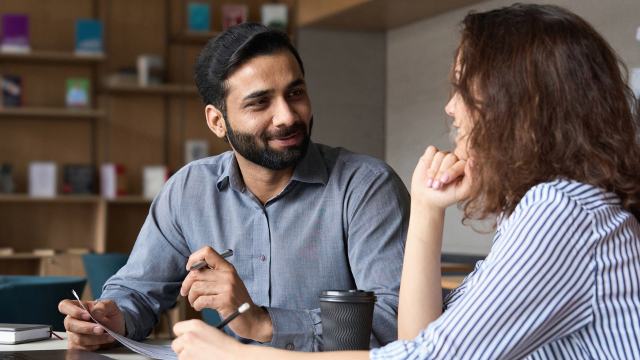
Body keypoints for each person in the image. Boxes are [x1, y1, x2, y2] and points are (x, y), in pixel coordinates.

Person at [169, 3, 640, 359]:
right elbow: (420, 340)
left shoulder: (562, 212)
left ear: (515, 103)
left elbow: (419, 358)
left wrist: (243, 354)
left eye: (462, 89)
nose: (450, 109)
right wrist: (428, 208)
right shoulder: (552, 209)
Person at [58, 23, 410, 352]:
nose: (287, 116)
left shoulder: (367, 186)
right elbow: (137, 289)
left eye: (296, 92)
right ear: (217, 121)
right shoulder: (189, 190)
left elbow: (400, 322)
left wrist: (264, 323)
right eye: (260, 102)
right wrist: (110, 317)